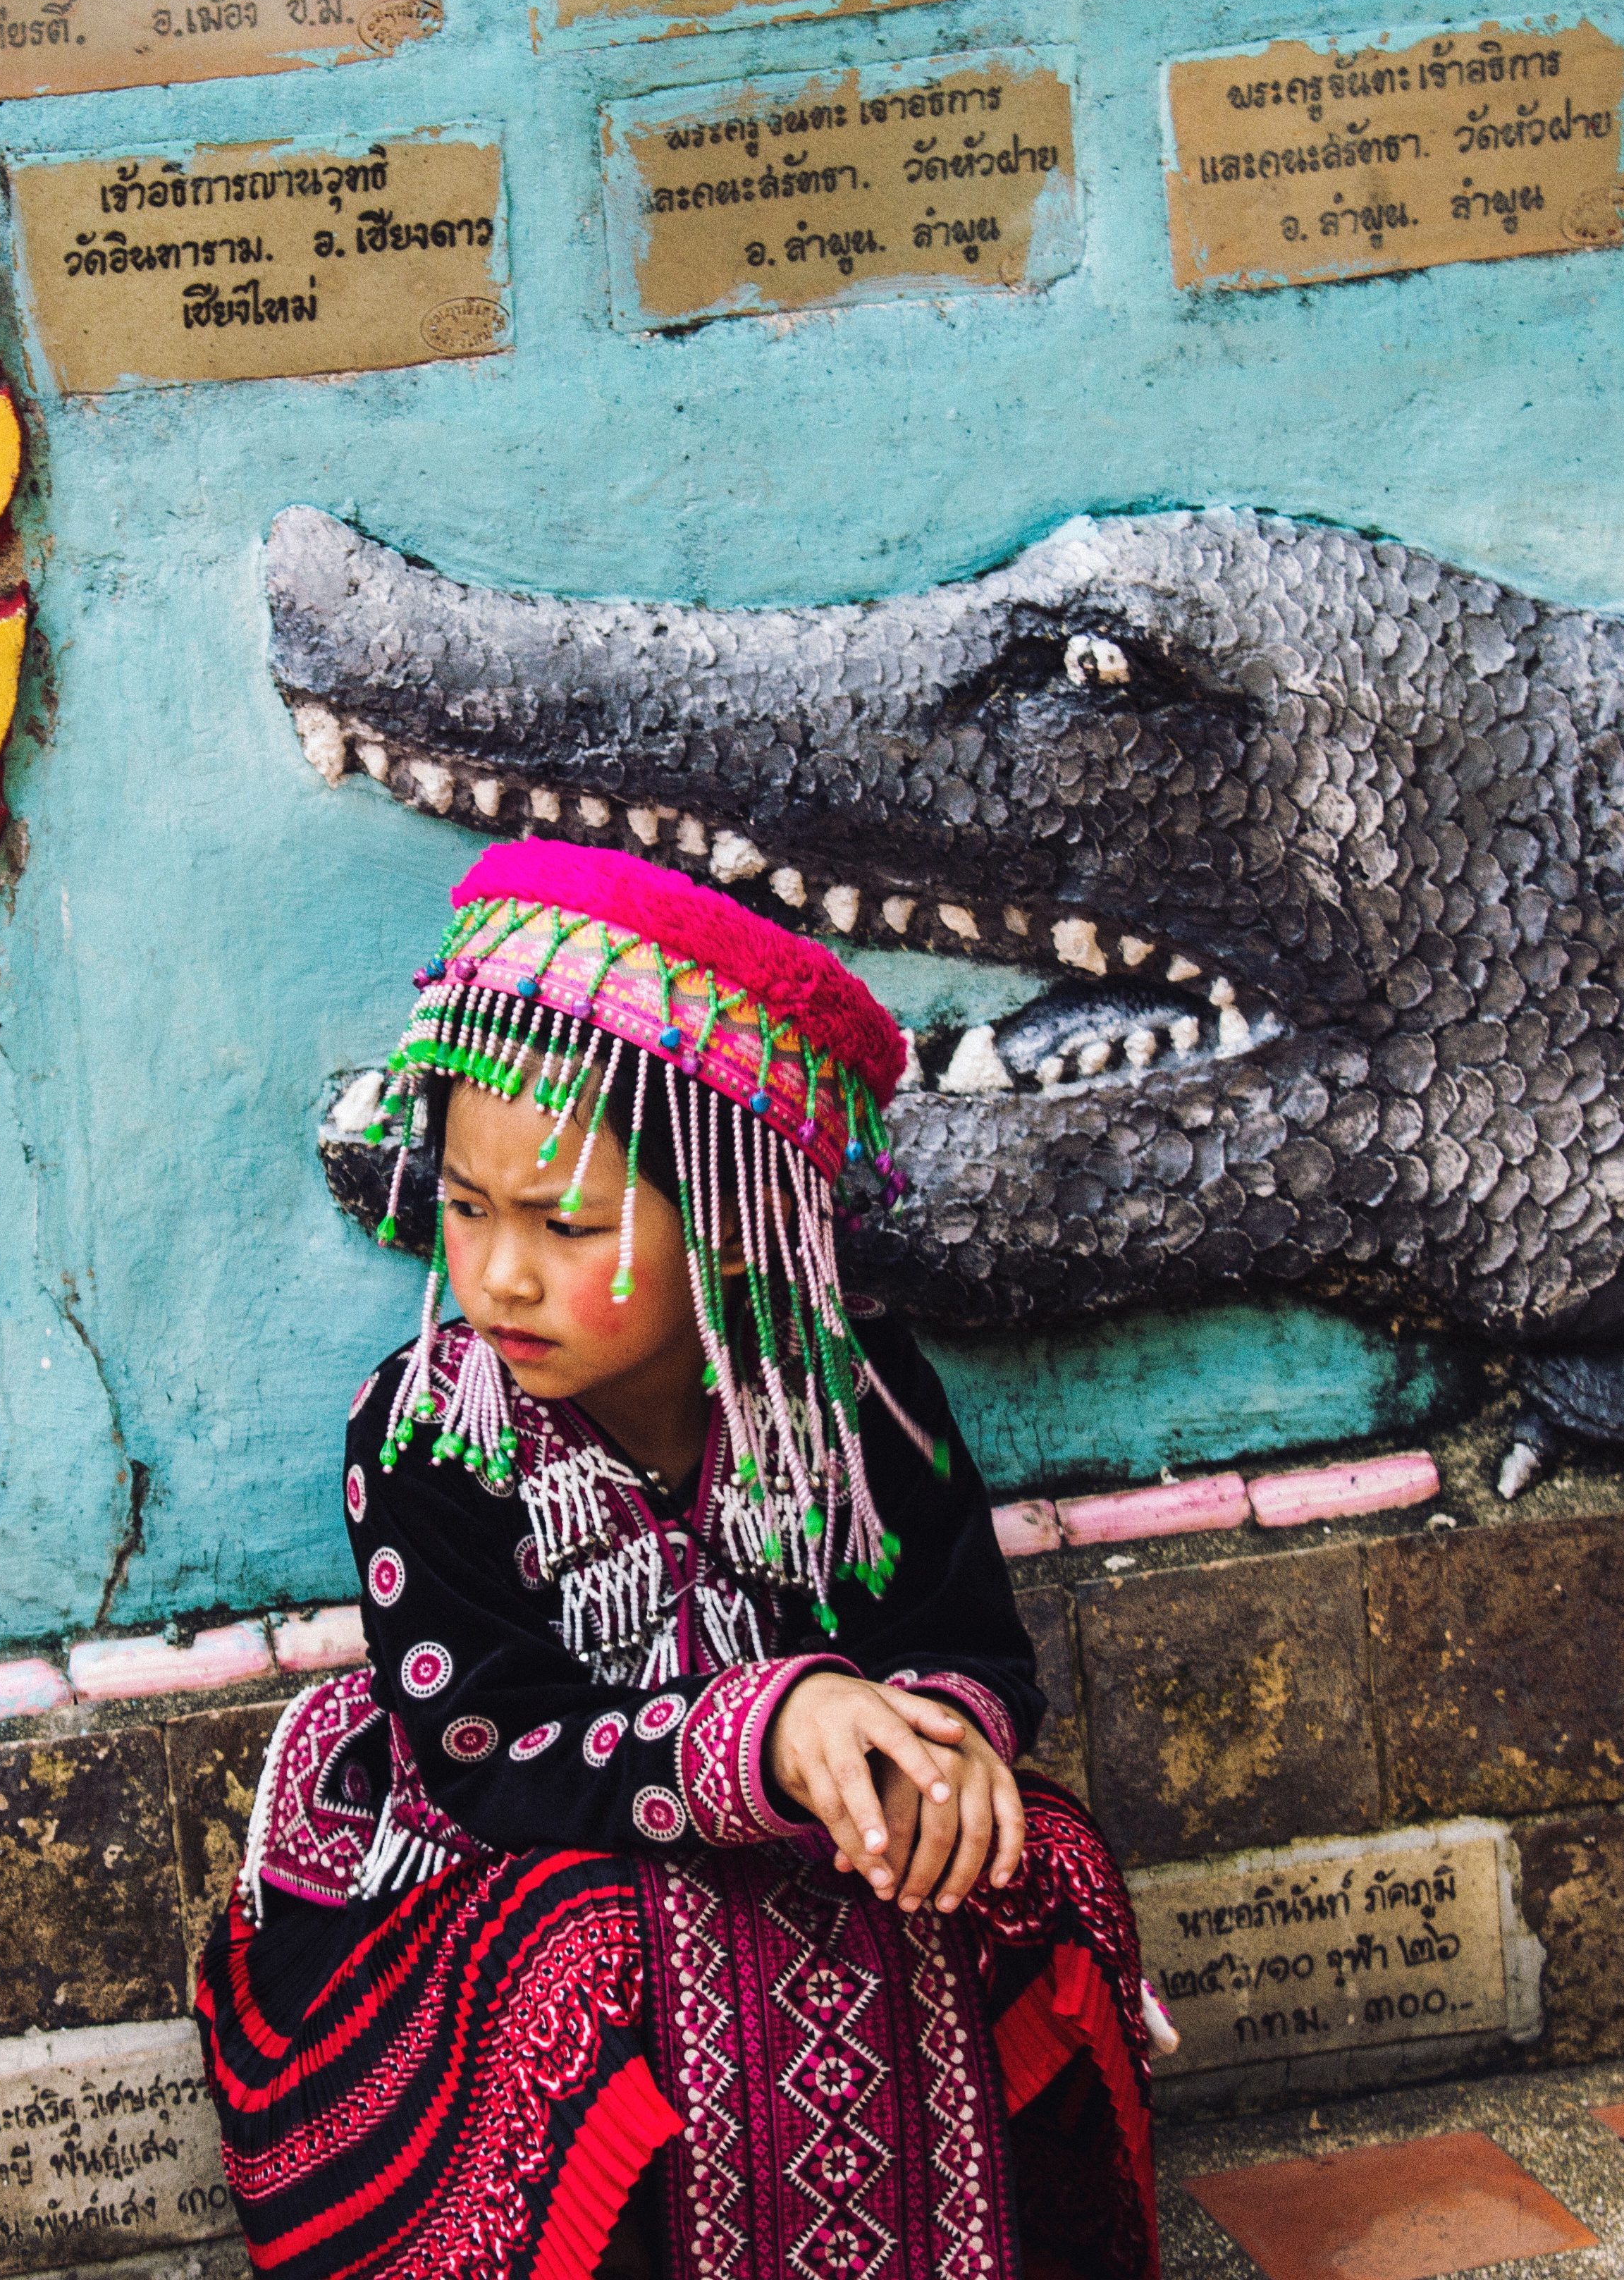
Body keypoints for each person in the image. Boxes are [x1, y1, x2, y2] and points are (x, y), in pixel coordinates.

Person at [197, 841, 1168, 2280]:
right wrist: (762, 1732)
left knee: (1043, 1862)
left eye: (565, 1223)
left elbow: (965, 1642)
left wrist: (946, 1749)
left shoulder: (857, 1403)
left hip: (818, 1850)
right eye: (467, 1207)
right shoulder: (425, 1434)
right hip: (513, 1858)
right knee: (592, 1953)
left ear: (723, 1227)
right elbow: (488, 1752)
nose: (499, 1274)